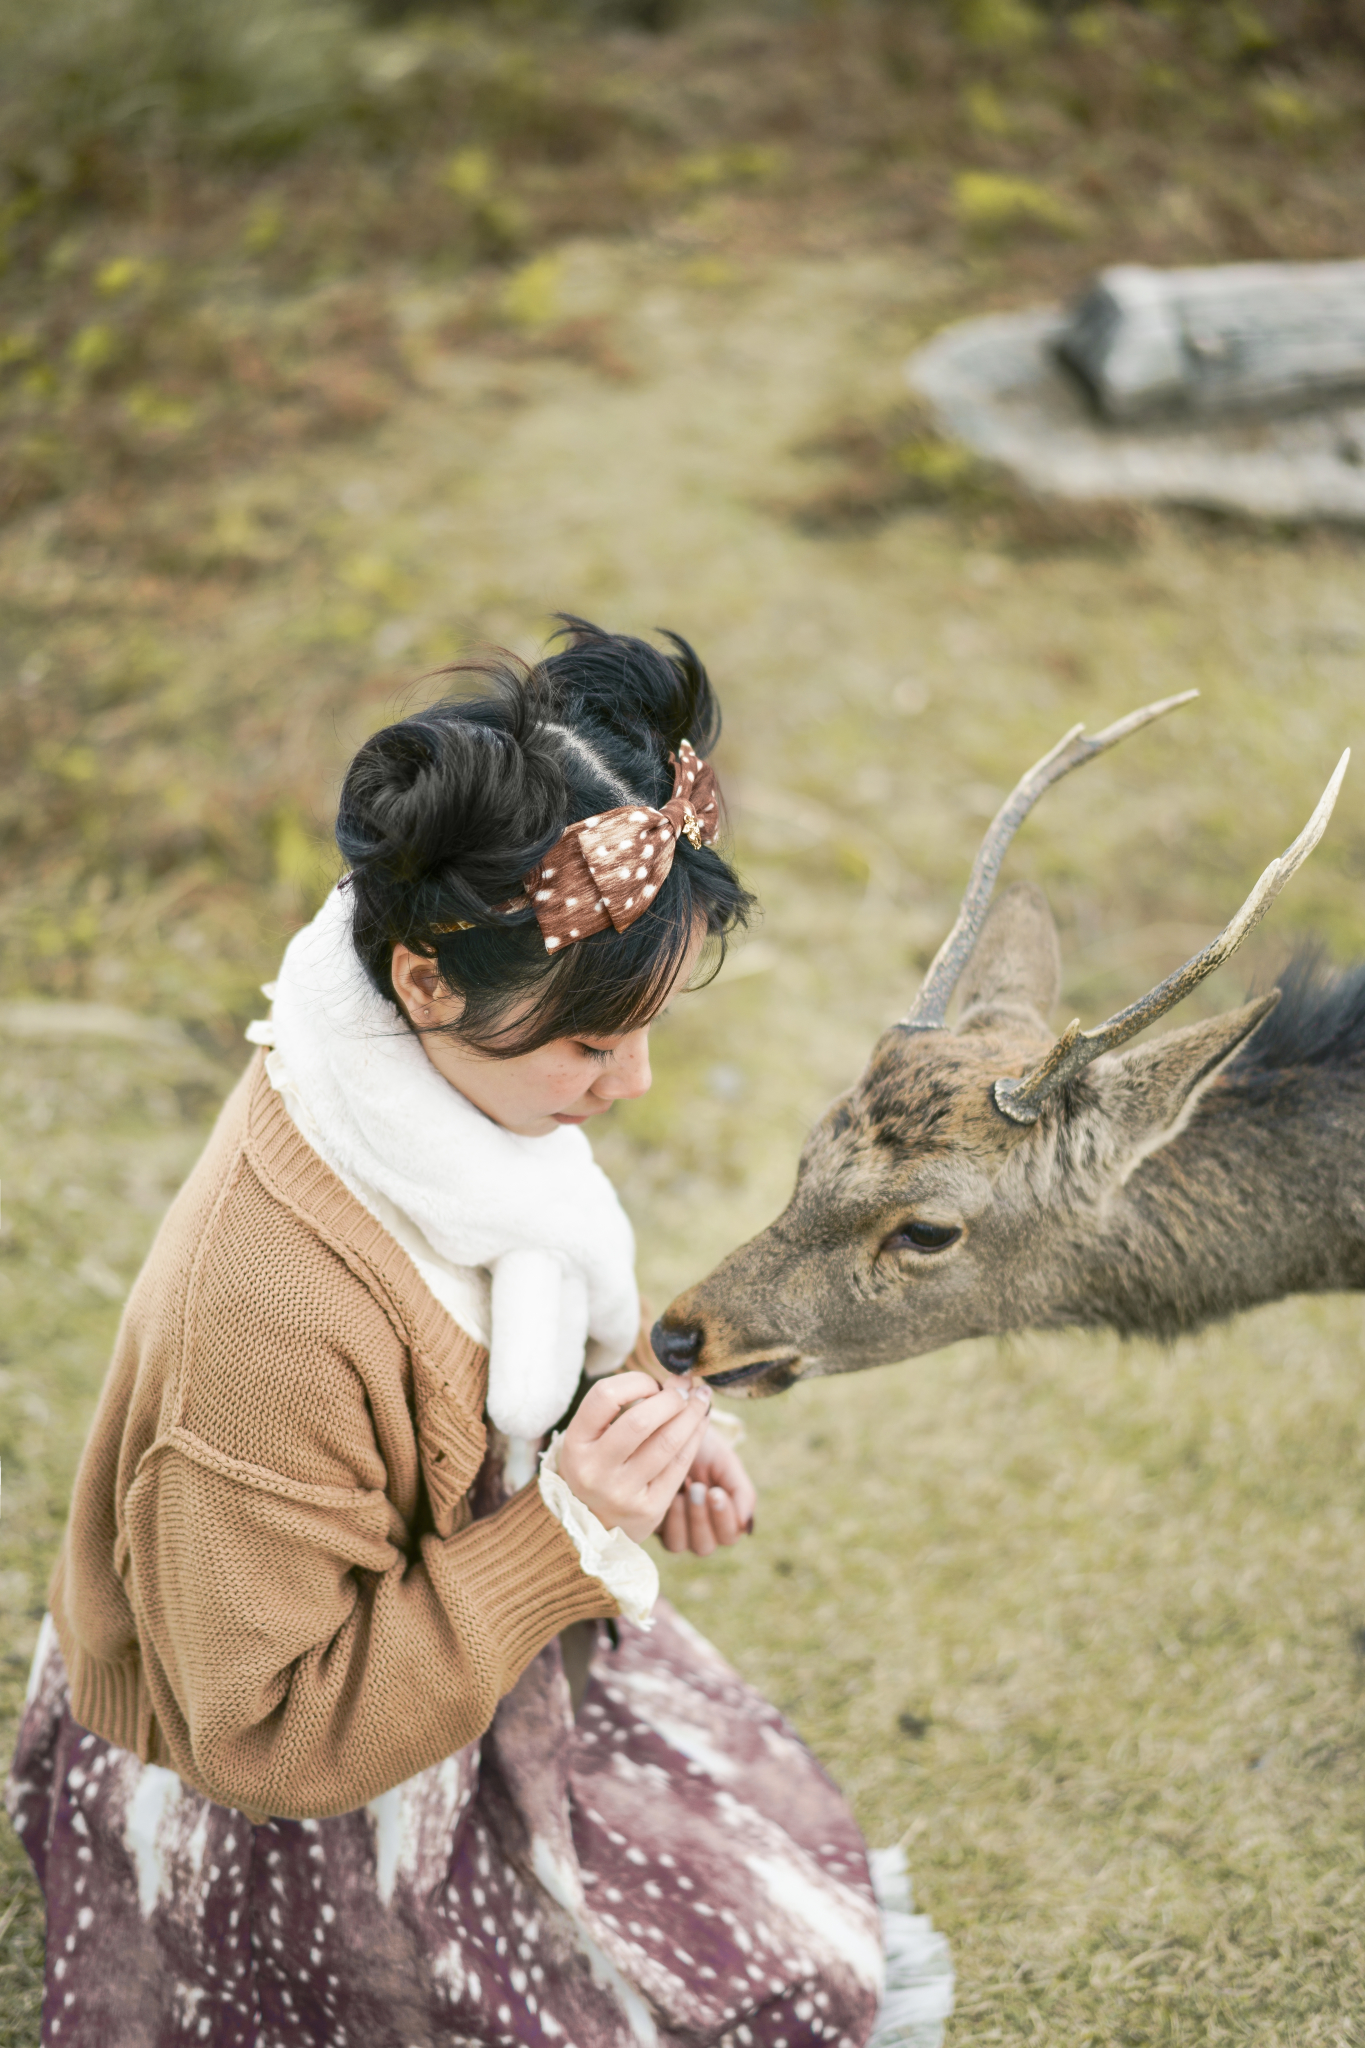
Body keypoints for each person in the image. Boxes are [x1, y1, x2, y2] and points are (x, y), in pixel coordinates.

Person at [7, 619, 922, 2048]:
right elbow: (269, 1738)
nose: (632, 1084)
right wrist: (562, 1537)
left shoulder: (432, 1095)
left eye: (647, 1028)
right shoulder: (264, 1326)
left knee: (781, 1943)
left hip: (425, 1617)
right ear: (427, 981)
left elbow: (496, 1339)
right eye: (588, 1044)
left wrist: (630, 1442)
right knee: (771, 1993)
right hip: (275, 1763)